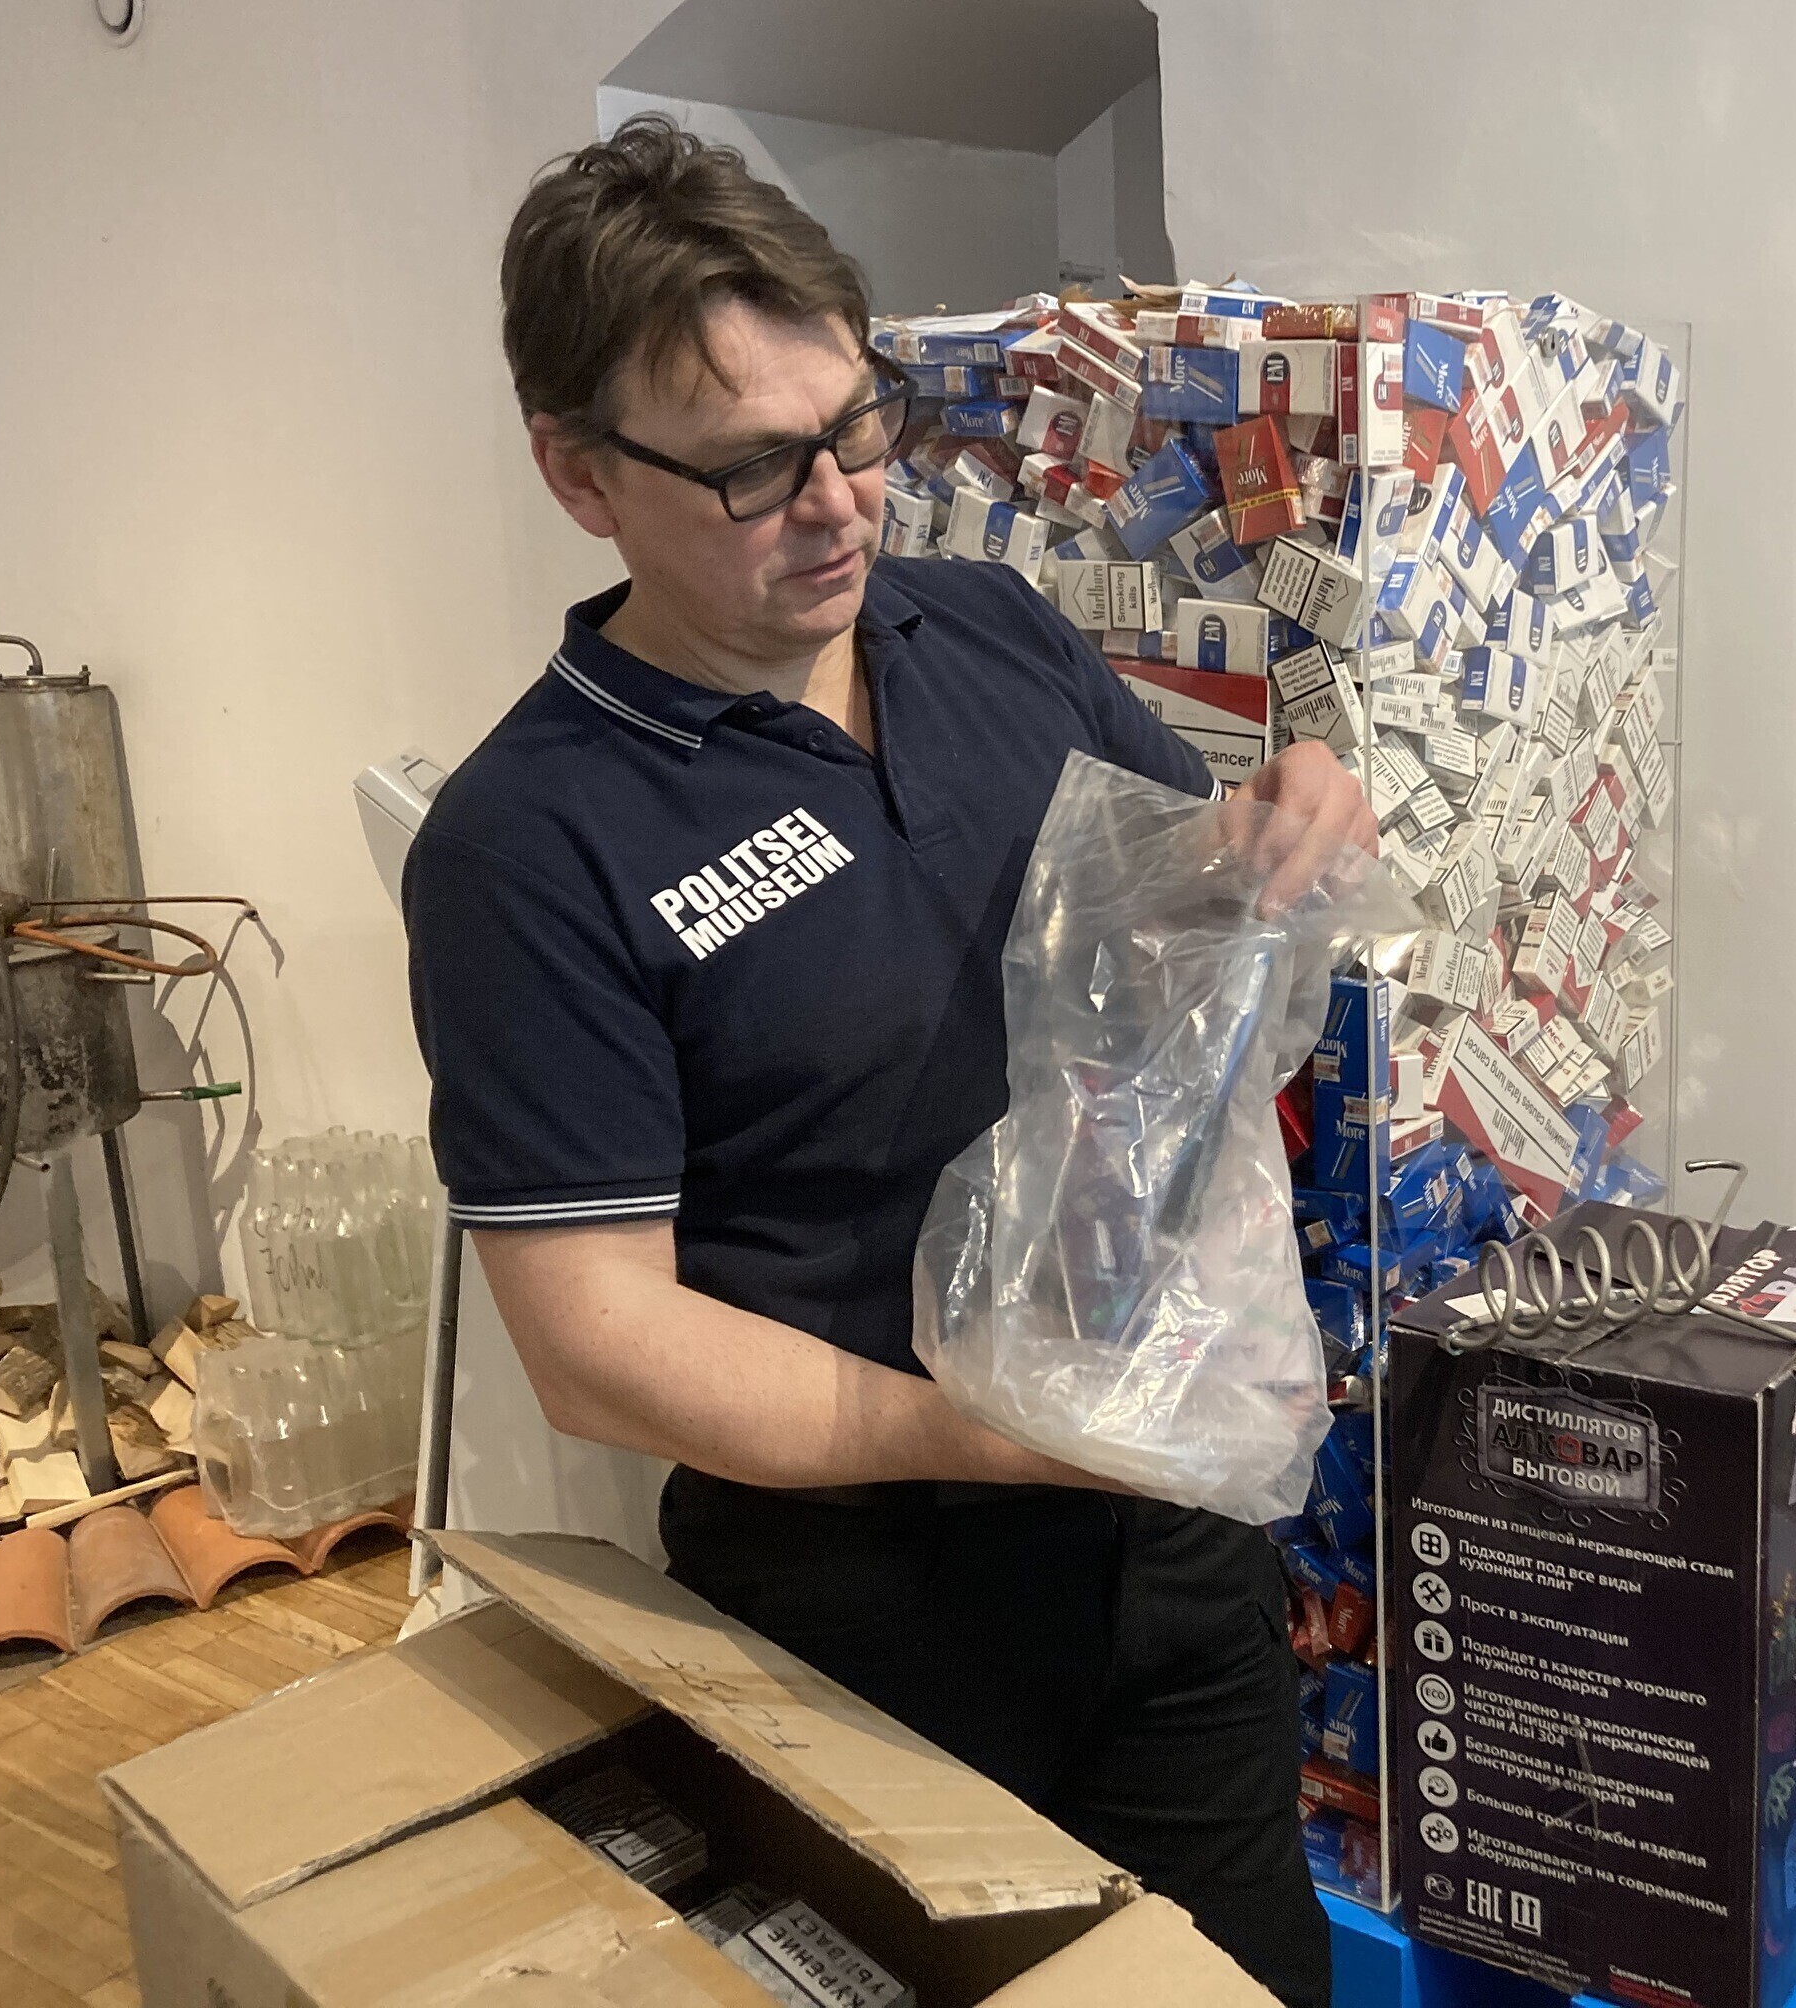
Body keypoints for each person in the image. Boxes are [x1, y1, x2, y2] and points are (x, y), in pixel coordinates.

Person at [403, 117, 1370, 2007]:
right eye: (752, 469)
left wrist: (1281, 819)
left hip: (1162, 1547)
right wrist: (984, 1436)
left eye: (857, 425)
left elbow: (1165, 926)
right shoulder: (530, 842)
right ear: (578, 473)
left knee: (1246, 1983)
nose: (841, 503)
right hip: (862, 1608)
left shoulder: (986, 629)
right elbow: (595, 1342)